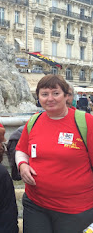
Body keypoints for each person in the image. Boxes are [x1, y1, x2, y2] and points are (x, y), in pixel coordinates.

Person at [16, 74, 93, 232]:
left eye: (55, 93)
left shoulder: (86, 122)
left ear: (66, 96)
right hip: (35, 204)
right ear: (38, 97)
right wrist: (22, 165)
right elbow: (21, 149)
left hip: (75, 209)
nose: (50, 98)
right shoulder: (34, 121)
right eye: (44, 94)